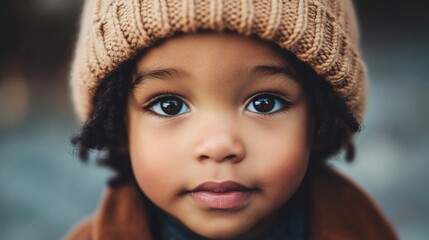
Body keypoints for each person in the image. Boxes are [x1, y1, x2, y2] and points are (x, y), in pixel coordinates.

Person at [65, 0, 397, 239]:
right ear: (121, 127)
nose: (219, 145)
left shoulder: (363, 229)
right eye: (169, 105)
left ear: (319, 119)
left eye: (264, 103)